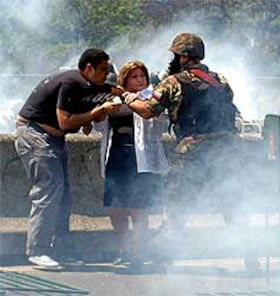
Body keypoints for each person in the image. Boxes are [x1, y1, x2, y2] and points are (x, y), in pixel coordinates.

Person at [111, 33, 257, 272]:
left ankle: (164, 259)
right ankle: (252, 259)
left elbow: (148, 111)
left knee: (179, 206)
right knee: (232, 207)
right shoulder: (220, 79)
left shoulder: (173, 82)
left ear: (183, 56)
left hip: (192, 150)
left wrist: (125, 96)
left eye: (176, 55)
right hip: (227, 149)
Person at [14, 48, 121, 269]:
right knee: (48, 191)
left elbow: (85, 118)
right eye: (101, 69)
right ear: (88, 68)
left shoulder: (89, 85)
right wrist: (95, 112)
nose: (104, 74)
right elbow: (65, 121)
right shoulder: (71, 82)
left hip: (54, 140)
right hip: (35, 135)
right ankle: (37, 250)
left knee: (63, 197)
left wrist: (97, 111)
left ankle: (61, 250)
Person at [98, 61, 169, 267]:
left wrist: (131, 98)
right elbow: (99, 127)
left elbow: (155, 115)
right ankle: (123, 249)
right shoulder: (114, 100)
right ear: (125, 81)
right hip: (118, 158)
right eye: (134, 77)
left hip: (143, 161)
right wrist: (103, 109)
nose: (140, 80)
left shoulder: (152, 97)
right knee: (115, 208)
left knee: (139, 209)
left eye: (142, 77)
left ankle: (138, 253)